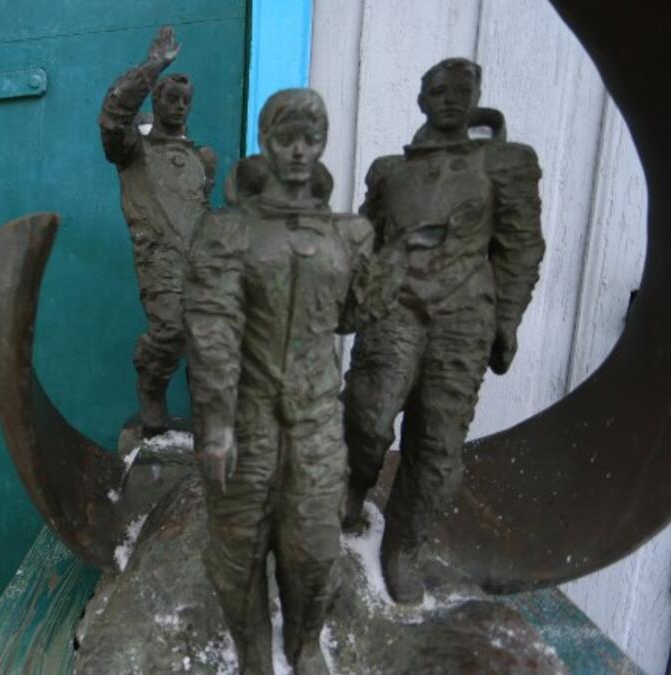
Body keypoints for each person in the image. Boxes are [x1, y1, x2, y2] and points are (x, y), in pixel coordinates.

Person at [185, 89, 443, 674]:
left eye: (311, 137)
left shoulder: (345, 234)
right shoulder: (229, 231)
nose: (300, 150)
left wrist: (395, 257)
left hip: (316, 420)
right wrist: (217, 420)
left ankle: (304, 643)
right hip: (246, 418)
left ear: (322, 141)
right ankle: (253, 652)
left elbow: (352, 314)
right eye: (286, 137)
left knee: (315, 550)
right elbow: (212, 329)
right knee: (238, 549)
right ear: (266, 140)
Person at [342, 58, 545, 604]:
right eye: (438, 89)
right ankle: (349, 489)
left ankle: (403, 547)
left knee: (436, 450)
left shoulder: (506, 163)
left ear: (477, 94)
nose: (451, 97)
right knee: (368, 413)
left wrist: (507, 319)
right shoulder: (391, 171)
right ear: (421, 99)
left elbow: (520, 247)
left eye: (463, 89)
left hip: (462, 318)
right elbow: (364, 241)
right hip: (397, 304)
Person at [99, 26, 217, 437]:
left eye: (186, 101)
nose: (180, 107)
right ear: (155, 100)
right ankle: (150, 385)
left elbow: (202, 207)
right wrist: (153, 66)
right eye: (171, 98)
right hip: (159, 255)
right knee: (170, 328)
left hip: (201, 259)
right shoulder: (134, 148)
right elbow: (113, 118)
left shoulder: (203, 157)